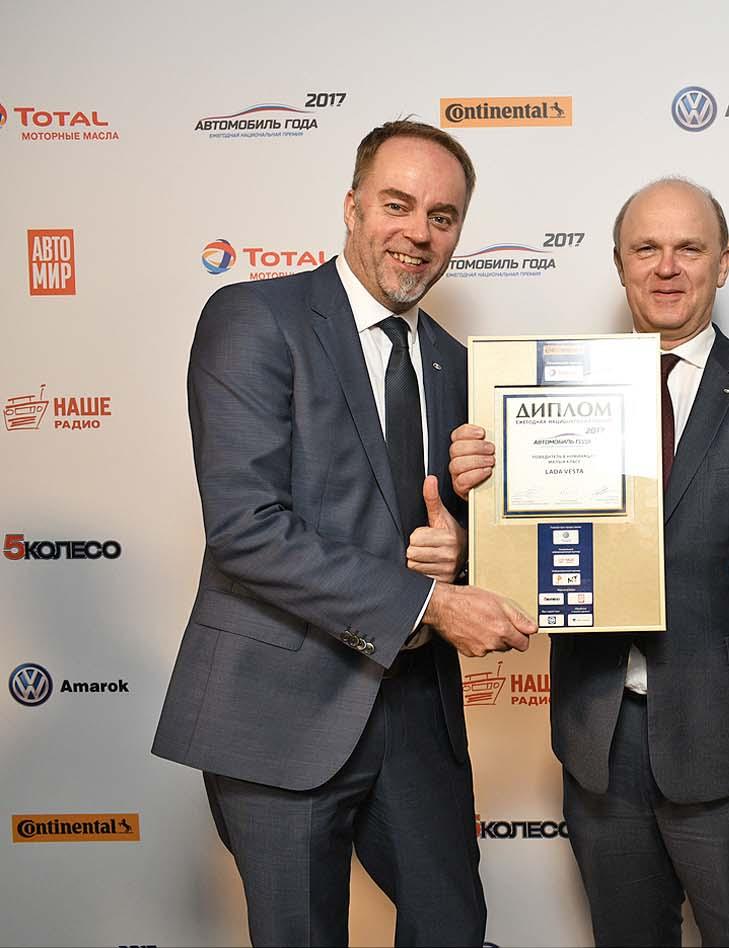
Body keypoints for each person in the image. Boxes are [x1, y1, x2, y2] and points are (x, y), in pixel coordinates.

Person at [152, 120, 536, 948]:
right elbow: (246, 530)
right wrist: (431, 603)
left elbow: (436, 531)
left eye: (442, 216)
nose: (418, 232)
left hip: (415, 708)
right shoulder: (256, 317)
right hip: (281, 706)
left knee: (452, 927)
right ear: (353, 206)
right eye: (397, 204)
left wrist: (462, 545)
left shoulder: (460, 364)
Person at [450, 177, 729, 946]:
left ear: (722, 263)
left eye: (688, 248)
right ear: (619, 264)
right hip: (599, 736)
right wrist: (476, 493)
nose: (666, 267)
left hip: (728, 733)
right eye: (645, 248)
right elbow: (516, 541)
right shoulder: (543, 385)